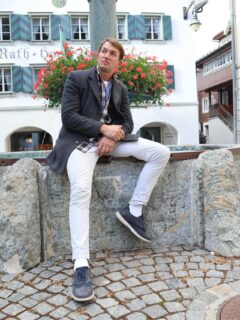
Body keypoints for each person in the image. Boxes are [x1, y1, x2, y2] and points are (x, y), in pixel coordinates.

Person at [47, 38, 170, 302]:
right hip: (79, 143)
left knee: (161, 152)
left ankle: (133, 210)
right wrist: (102, 129)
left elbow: (127, 120)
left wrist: (112, 137)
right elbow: (69, 117)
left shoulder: (120, 88)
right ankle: (81, 264)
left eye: (112, 53)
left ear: (118, 61)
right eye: (103, 51)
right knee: (81, 190)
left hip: (107, 144)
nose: (105, 55)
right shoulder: (76, 78)